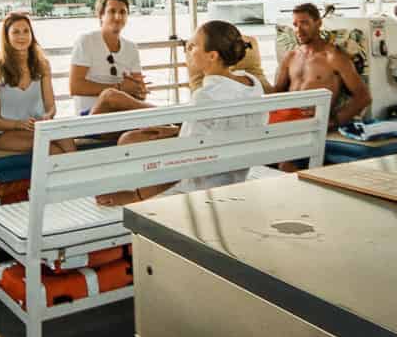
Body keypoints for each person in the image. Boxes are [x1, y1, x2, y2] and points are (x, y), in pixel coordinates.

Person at [92, 19, 267, 207]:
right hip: (235, 170)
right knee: (136, 136)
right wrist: (174, 130)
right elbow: (225, 128)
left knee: (130, 141)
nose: (188, 51)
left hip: (205, 184)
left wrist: (136, 196)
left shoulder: (206, 96)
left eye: (193, 47)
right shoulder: (252, 84)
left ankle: (133, 190)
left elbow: (184, 160)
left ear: (212, 56)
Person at [0, 12, 75, 155]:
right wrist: (18, 124)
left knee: (67, 140)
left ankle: (79, 176)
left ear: (32, 35)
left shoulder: (43, 65)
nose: (22, 36)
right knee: (51, 149)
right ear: (7, 37)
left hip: (36, 129)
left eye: (26, 31)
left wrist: (47, 116)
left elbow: (51, 107)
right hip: (4, 133)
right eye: (16, 32)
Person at [270, 2, 371, 128]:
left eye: (304, 23)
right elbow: (277, 91)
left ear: (318, 23)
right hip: (285, 119)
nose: (298, 30)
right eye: (295, 25)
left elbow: (364, 97)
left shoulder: (334, 57)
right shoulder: (291, 56)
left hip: (312, 122)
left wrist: (334, 122)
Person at [68, 0, 146, 114]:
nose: (118, 17)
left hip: (122, 114)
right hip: (91, 115)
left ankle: (172, 124)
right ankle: (166, 116)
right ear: (100, 15)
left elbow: (140, 93)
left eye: (123, 12)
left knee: (144, 133)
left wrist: (140, 90)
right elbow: (75, 87)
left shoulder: (131, 48)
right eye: (112, 11)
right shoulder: (86, 41)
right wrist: (119, 88)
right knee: (110, 95)